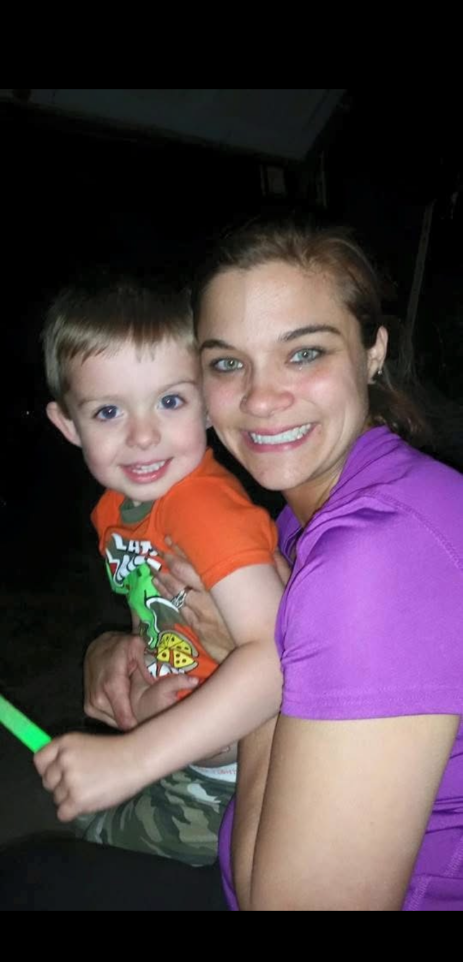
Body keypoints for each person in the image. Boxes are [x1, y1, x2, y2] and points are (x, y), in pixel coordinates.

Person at [14, 216, 463, 910]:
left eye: (304, 353)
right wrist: (118, 648)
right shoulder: (304, 516)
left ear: (372, 352)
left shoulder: (377, 551)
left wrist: (251, 671)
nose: (259, 398)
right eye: (227, 363)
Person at [40, 272, 282, 865]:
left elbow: (278, 659)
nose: (144, 436)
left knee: (94, 850)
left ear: (207, 403)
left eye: (170, 401)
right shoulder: (114, 510)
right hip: (183, 737)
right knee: (89, 819)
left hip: (240, 768)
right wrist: (145, 689)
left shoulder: (202, 507)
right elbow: (158, 618)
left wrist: (134, 756)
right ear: (68, 425)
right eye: (108, 412)